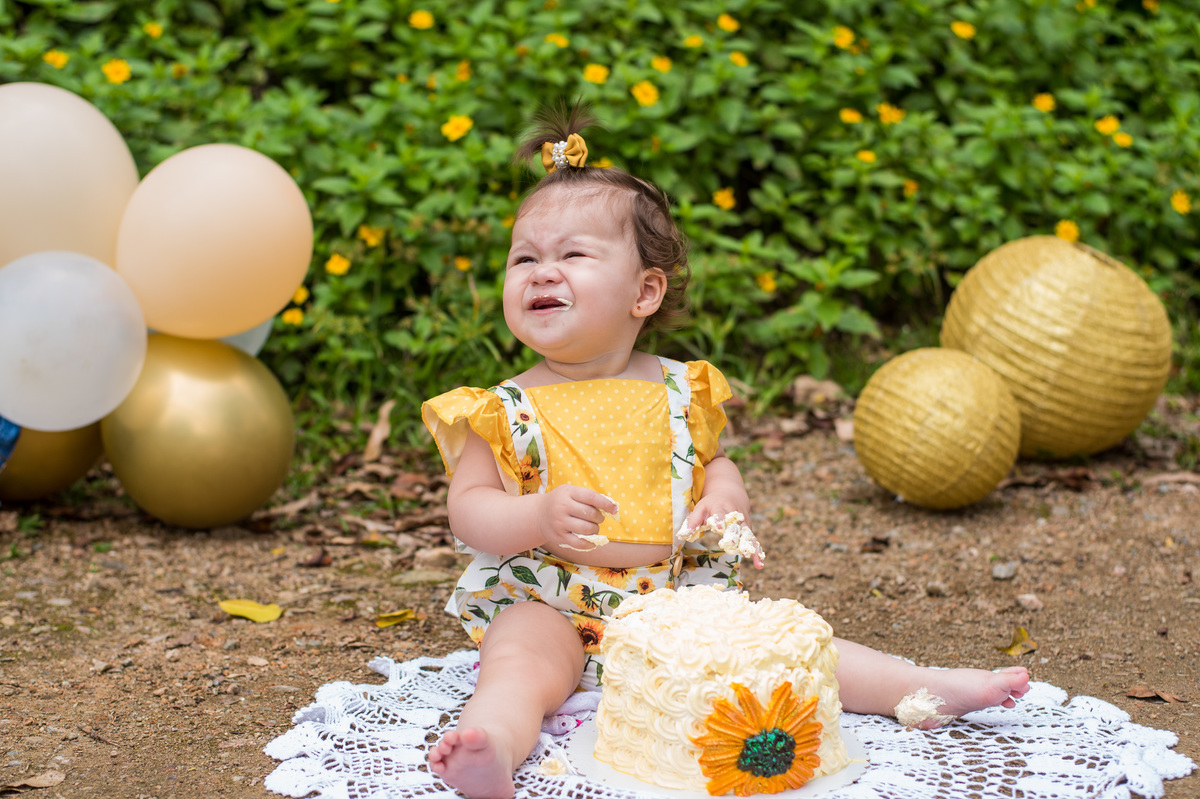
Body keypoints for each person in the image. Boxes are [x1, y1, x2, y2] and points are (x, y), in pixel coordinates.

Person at [421, 104, 1030, 799]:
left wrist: (723, 500)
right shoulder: (501, 408)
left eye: (572, 255)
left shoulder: (684, 389)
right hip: (554, 602)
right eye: (523, 257)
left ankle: (921, 687)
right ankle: (491, 745)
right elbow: (467, 509)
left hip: (677, 599)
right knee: (517, 663)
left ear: (645, 291)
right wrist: (534, 516)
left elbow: (714, 463)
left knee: (791, 655)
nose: (540, 272)